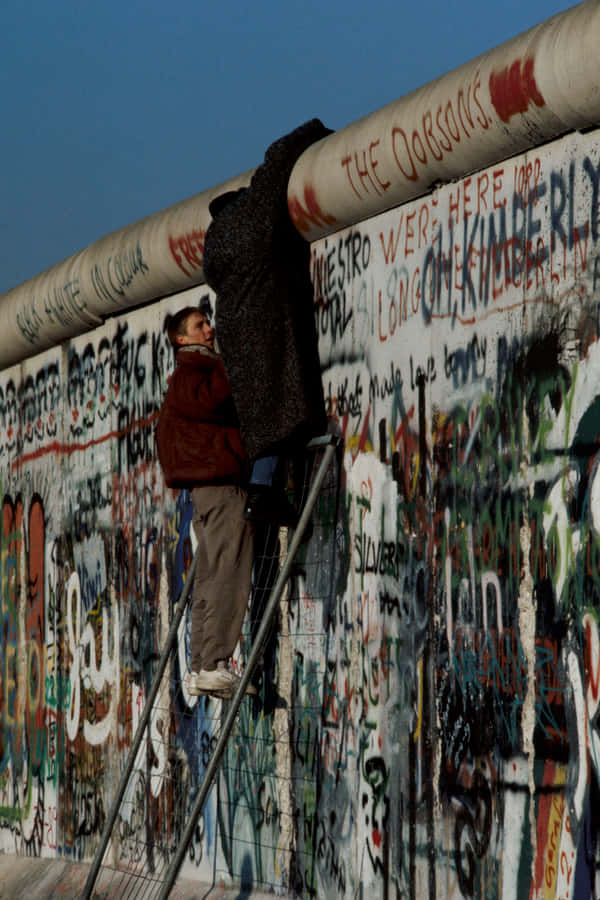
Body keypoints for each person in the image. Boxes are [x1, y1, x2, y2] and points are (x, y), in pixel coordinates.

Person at [203, 119, 332, 525]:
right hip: (269, 320)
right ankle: (265, 493)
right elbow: (278, 158)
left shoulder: (214, 245)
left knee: (263, 415)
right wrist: (315, 130)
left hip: (236, 329)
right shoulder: (254, 215)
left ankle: (269, 489)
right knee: (282, 408)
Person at [156, 305, 255, 700]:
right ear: (182, 338)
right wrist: (235, 360)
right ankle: (214, 663)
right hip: (220, 485)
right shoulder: (194, 370)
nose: (210, 328)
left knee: (212, 573)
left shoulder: (187, 373)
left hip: (207, 489)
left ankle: (202, 666)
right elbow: (212, 400)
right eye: (201, 325)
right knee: (228, 569)